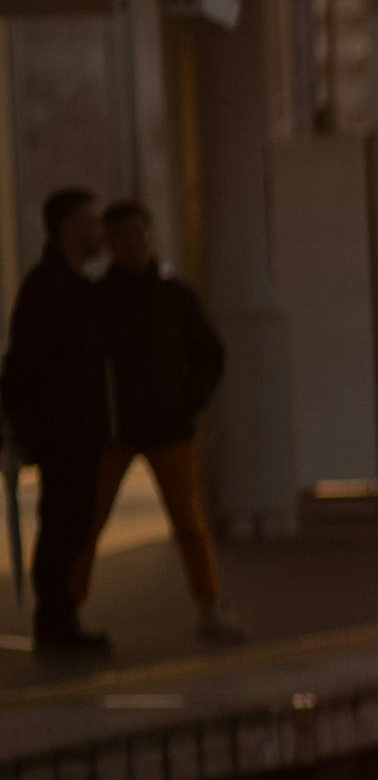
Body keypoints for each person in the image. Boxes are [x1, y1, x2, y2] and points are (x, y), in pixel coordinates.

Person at [82, 200, 246, 640]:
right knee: (92, 519)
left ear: (150, 235)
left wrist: (189, 398)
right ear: (110, 243)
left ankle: (210, 604)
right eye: (121, 236)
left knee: (189, 523)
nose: (132, 244)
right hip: (120, 430)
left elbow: (209, 354)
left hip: (164, 426)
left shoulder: (172, 297)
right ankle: (70, 607)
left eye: (137, 233)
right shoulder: (102, 301)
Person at [3, 189, 118, 658]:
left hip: (77, 432)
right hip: (63, 434)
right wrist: (35, 429)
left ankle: (59, 617)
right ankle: (54, 621)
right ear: (68, 227)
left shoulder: (73, 287)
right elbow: (25, 367)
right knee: (63, 524)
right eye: (91, 222)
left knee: (71, 522)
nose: (99, 232)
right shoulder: (50, 289)